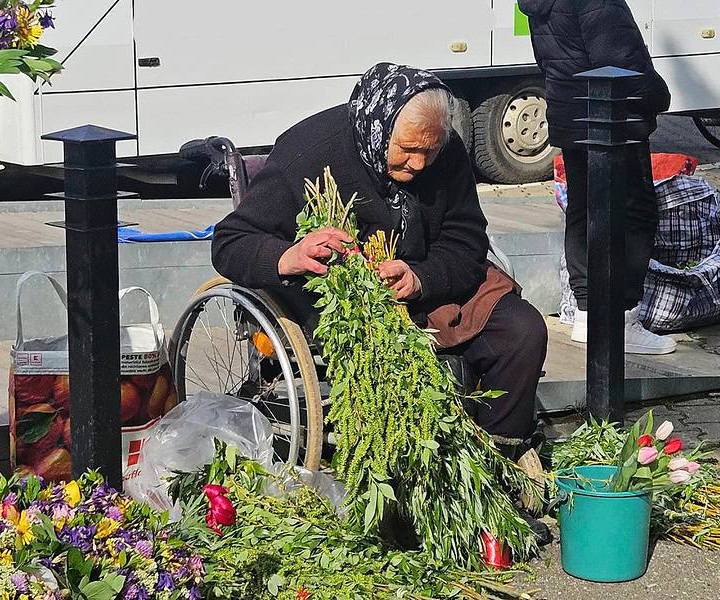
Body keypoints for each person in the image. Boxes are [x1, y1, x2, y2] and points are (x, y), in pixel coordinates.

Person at [212, 63, 548, 457]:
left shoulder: (447, 151)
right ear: (378, 127)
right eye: (408, 150)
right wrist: (290, 256)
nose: (420, 164)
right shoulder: (308, 153)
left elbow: (466, 239)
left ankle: (496, 460)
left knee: (523, 331)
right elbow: (230, 242)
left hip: (425, 286)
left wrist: (421, 278)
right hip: (345, 305)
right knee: (391, 362)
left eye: (430, 151)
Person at [519, 0, 676, 354]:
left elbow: (550, 58)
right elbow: (620, 57)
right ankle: (622, 319)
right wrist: (658, 95)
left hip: (570, 114)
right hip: (612, 118)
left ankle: (587, 315)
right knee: (635, 211)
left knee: (583, 211)